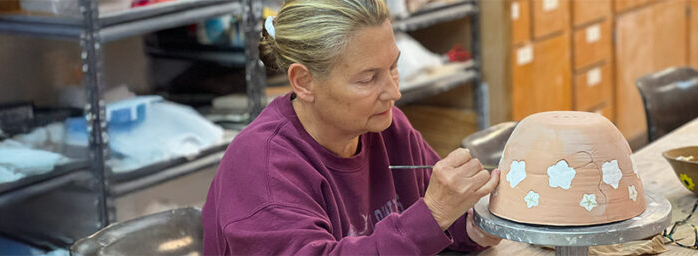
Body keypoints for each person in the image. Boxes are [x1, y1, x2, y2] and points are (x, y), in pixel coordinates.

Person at [201, 0, 502, 254]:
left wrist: (472, 227)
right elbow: (426, 224)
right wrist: (433, 215)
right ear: (304, 82)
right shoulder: (262, 168)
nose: (394, 92)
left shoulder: (388, 126)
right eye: (368, 79)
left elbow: (436, 230)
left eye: (393, 68)